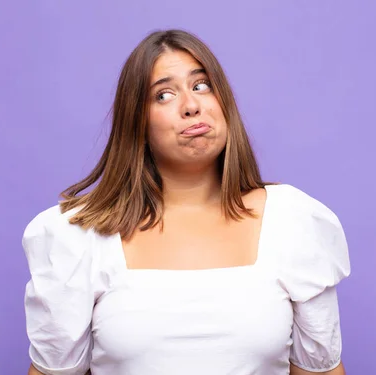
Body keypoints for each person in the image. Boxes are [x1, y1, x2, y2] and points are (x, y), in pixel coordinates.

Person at [22, 29, 351, 375]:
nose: (192, 106)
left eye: (201, 86)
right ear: (137, 123)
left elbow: (321, 371)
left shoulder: (292, 221)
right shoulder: (79, 236)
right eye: (163, 95)